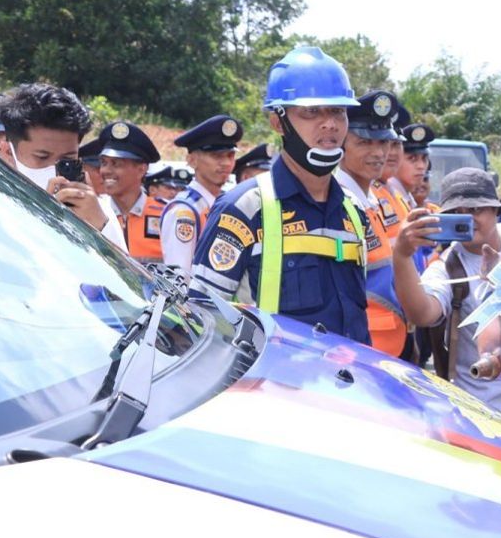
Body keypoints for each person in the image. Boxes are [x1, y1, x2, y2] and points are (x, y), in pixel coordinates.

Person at [190, 46, 374, 344]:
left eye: (338, 111)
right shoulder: (244, 209)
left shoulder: (354, 210)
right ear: (278, 122)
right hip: (275, 387)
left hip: (348, 386)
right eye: (312, 112)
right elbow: (202, 320)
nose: (329, 123)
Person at [394, 167, 501, 440]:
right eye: (456, 213)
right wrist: (401, 256)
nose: (467, 219)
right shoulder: (448, 266)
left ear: (495, 210)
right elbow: (423, 313)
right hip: (482, 416)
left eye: (475, 209)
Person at [0, 83, 125, 249]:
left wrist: (98, 229)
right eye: (42, 157)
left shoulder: (96, 211)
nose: (54, 172)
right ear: (8, 152)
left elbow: (123, 273)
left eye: (67, 160)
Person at [334, 89, 410, 357]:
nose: (379, 152)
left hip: (386, 350)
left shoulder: (372, 198)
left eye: (384, 142)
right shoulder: (336, 203)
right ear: (341, 146)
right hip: (358, 351)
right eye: (365, 142)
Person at [160, 114, 242, 274]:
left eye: (230, 155)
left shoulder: (227, 203)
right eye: (216, 156)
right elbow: (180, 275)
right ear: (192, 160)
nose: (226, 163)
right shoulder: (185, 211)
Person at [97, 121, 166, 264]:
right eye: (104, 163)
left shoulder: (165, 214)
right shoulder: (95, 210)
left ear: (141, 169)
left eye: (116, 164)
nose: (106, 171)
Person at [392, 123, 434, 211]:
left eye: (424, 158)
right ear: (395, 159)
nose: (421, 166)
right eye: (412, 158)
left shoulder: (406, 198)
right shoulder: (385, 197)